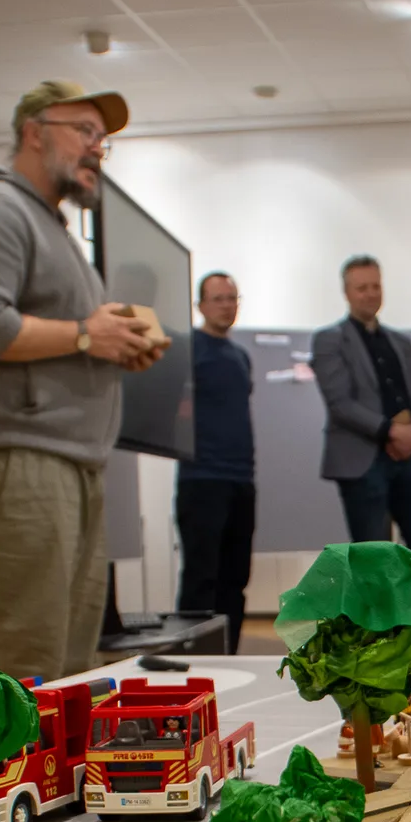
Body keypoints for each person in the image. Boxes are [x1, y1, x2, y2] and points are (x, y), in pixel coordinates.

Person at [0, 79, 166, 684]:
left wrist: (113, 345)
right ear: (34, 132)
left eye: (103, 139)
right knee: (20, 663)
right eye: (84, 131)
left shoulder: (53, 229)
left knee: (67, 667)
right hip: (16, 460)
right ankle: (5, 756)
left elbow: (62, 334)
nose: (96, 147)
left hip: (67, 463)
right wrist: (88, 335)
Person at [311, 255, 411, 651]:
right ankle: (381, 649)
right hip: (363, 462)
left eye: (376, 286)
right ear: (346, 292)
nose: (370, 293)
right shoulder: (329, 341)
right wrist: (389, 431)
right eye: (362, 287)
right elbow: (340, 402)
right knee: (374, 560)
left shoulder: (400, 342)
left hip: (410, 459)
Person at [175, 271, 254, 654]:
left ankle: (229, 658)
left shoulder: (241, 357)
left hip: (242, 479)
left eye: (231, 298)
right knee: (200, 577)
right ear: (200, 305)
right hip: (201, 477)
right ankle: (193, 661)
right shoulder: (188, 349)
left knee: (235, 579)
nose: (226, 305)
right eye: (218, 298)